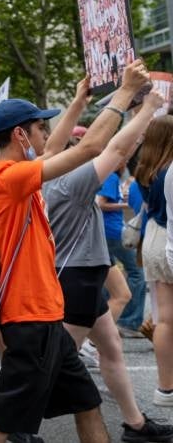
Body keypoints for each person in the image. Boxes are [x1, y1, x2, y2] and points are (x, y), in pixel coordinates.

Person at [0, 59, 149, 443]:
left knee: (86, 402)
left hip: (47, 314)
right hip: (29, 319)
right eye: (38, 126)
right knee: (2, 421)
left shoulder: (13, 173)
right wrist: (127, 92)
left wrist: (78, 102)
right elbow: (92, 147)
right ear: (19, 135)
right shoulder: (8, 179)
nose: (45, 133)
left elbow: (50, 149)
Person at [42, 95, 172, 442]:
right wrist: (145, 109)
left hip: (82, 272)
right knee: (55, 361)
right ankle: (13, 425)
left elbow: (61, 142)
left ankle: (136, 424)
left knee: (111, 347)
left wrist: (80, 100)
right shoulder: (71, 183)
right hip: (78, 276)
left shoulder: (47, 169)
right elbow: (114, 150)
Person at [135, 115, 173, 408]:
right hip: (166, 235)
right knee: (167, 320)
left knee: (164, 319)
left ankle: (165, 387)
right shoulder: (168, 171)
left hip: (153, 236)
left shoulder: (146, 170)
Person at [99, 167, 147, 337]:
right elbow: (101, 203)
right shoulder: (111, 176)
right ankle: (129, 322)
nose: (126, 163)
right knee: (137, 272)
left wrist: (122, 198)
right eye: (124, 159)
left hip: (104, 231)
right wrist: (126, 204)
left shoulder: (106, 175)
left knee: (106, 275)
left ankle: (103, 317)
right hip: (113, 231)